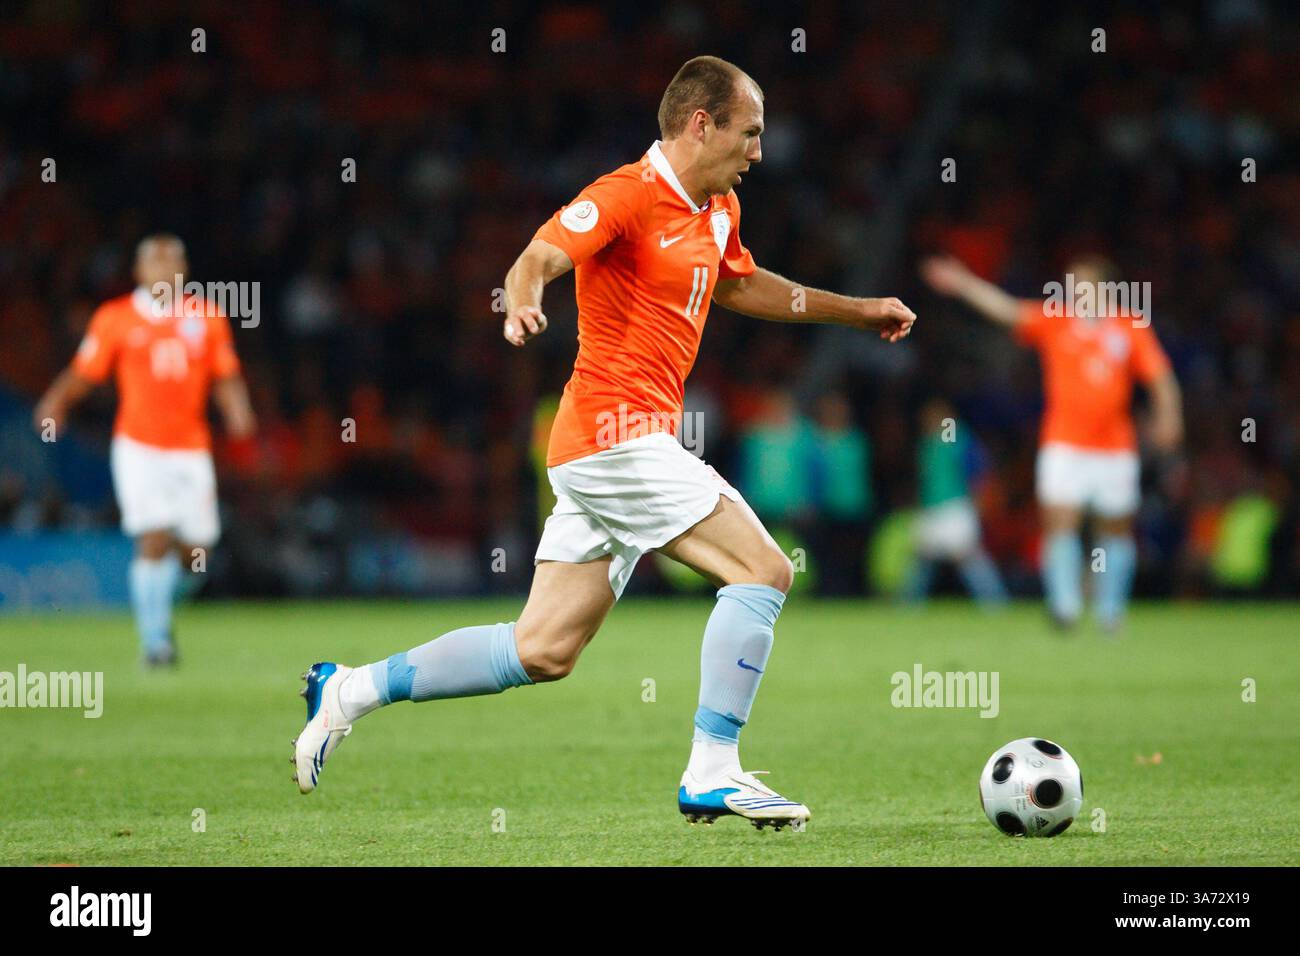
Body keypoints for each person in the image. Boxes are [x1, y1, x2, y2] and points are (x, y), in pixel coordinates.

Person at [292, 56, 915, 829]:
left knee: (541, 650)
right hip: (613, 438)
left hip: (618, 447)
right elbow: (537, 259)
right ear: (701, 124)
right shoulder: (626, 194)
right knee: (763, 568)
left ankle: (349, 688)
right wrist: (521, 305)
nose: (759, 152)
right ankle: (713, 769)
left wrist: (857, 312)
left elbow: (741, 285)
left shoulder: (718, 208)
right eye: (749, 133)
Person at [920, 254, 1182, 631]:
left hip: (1114, 447)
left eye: (1084, 284)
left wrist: (1169, 415)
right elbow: (1007, 311)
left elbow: (1159, 377)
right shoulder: (1057, 321)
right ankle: (1065, 606)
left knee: (1116, 529)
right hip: (1064, 444)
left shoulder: (1129, 329)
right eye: (1072, 284)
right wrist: (963, 283)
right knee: (1060, 522)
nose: (1075, 291)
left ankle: (1110, 612)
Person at [34, 234, 256, 664]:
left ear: (184, 271)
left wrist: (238, 410)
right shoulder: (115, 318)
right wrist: (54, 402)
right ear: (139, 272)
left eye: (173, 261)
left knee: (197, 551)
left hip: (190, 449)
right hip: (138, 446)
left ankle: (162, 610)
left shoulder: (206, 316)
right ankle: (154, 641)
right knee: (153, 536)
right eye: (155, 262)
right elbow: (85, 373)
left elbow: (226, 376)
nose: (164, 270)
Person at [903, 398, 1007, 608]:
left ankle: (995, 602)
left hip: (955, 507)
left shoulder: (953, 439)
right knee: (922, 557)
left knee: (967, 556)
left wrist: (978, 503)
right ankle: (908, 605)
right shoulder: (927, 444)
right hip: (931, 508)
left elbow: (977, 473)